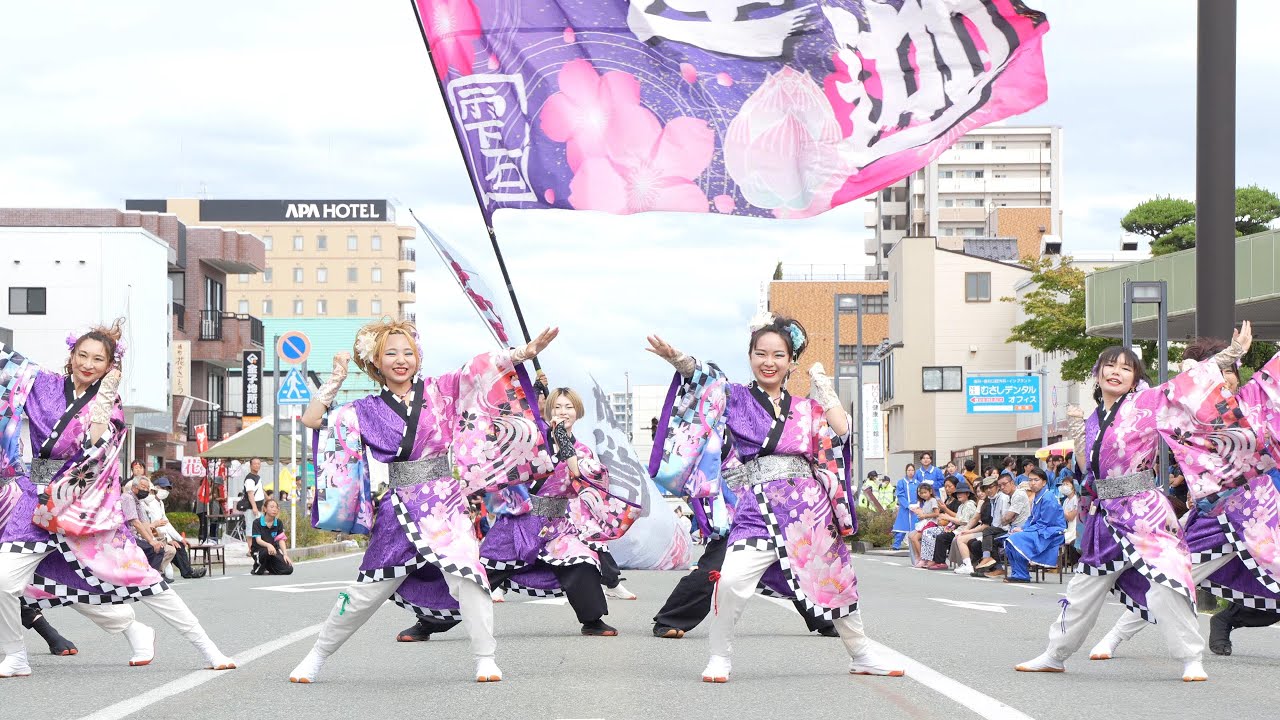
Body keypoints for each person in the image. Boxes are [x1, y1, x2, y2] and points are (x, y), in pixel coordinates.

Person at [287, 319, 558, 684]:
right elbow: (312, 418)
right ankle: (316, 657)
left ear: (418, 357)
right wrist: (336, 378)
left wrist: (521, 354)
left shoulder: (439, 390)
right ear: (376, 363)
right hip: (398, 508)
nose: (401, 360)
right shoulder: (364, 410)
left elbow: (478, 370)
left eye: (408, 352)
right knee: (368, 590)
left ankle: (485, 659)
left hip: (444, 502)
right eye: (391, 354)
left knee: (471, 578)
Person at [646, 314, 903, 682]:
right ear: (750, 356)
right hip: (757, 509)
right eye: (761, 353)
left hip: (807, 510)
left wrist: (821, 385)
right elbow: (705, 382)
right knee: (731, 580)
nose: (769, 362)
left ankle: (861, 654)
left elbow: (842, 429)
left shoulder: (806, 408)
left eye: (778, 355)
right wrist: (679, 360)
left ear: (790, 361)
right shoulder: (734, 397)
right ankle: (720, 657)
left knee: (834, 582)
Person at [1015, 326, 1259, 682]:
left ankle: (1192, 658)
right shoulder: (1095, 417)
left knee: (1169, 583)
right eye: (1109, 366)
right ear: (1097, 374)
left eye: (1125, 368)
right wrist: (1076, 429)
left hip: (1144, 511)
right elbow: (1088, 470)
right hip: (1104, 516)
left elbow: (1186, 384)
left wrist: (1230, 354)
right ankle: (1055, 654)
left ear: (1135, 380)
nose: (1116, 372)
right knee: (1083, 588)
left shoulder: (1146, 403)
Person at [0, 322, 234, 678]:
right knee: (6, 580)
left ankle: (209, 648)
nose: (88, 364)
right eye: (82, 355)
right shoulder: (42, 382)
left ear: (110, 366)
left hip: (83, 502)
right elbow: (7, 363)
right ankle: (16, 655)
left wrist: (104, 397)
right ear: (71, 355)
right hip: (36, 493)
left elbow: (97, 448)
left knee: (139, 577)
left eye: (98, 359)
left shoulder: (109, 402)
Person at [1090, 333, 1280, 660]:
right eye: (1216, 373)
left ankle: (1222, 620)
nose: (1223, 380)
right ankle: (1114, 638)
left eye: (1230, 372)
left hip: (1258, 511)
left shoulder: (1253, 399)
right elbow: (1180, 392)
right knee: (1171, 582)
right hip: (1213, 515)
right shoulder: (1194, 411)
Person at [397, 386, 638, 641]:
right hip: (517, 524)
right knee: (478, 576)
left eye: (569, 407)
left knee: (581, 563)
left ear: (578, 412)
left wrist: (564, 445)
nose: (563, 412)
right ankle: (428, 623)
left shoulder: (584, 451)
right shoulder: (530, 441)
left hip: (556, 526)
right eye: (557, 407)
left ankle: (593, 620)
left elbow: (582, 474)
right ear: (548, 411)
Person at [1002, 469, 1066, 583]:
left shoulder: (1048, 498)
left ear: (1044, 482)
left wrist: (1024, 531)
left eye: (1036, 480)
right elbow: (1031, 518)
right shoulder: (1037, 497)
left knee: (1015, 538)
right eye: (1030, 480)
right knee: (1008, 539)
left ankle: (1022, 575)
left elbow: (1045, 522)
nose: (1032, 483)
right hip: (1040, 529)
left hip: (1051, 532)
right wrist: (1021, 528)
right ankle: (1018, 573)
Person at [140, 475, 206, 580]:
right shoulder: (150, 503)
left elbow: (166, 523)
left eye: (167, 489)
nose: (165, 491)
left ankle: (187, 571)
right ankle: (185, 571)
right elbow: (157, 525)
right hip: (153, 535)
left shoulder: (159, 503)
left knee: (179, 545)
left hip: (160, 535)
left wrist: (180, 538)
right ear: (155, 488)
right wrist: (170, 540)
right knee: (176, 547)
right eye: (163, 488)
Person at [973, 473, 1027, 577]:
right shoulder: (992, 500)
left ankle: (987, 559)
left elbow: (1005, 520)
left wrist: (1006, 519)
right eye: (985, 488)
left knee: (988, 532)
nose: (988, 490)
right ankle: (991, 566)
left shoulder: (1005, 497)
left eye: (990, 487)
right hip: (1003, 528)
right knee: (977, 542)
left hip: (1010, 529)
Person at [923, 478, 977, 570]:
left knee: (942, 537)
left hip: (966, 530)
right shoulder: (962, 505)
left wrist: (947, 517)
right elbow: (958, 519)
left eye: (961, 493)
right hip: (958, 529)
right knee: (940, 535)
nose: (959, 495)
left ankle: (940, 562)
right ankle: (929, 559)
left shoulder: (969, 504)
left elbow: (964, 521)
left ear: (967, 494)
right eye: (957, 493)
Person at [952, 477, 998, 575]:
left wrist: (968, 531)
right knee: (961, 536)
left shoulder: (992, 501)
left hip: (988, 531)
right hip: (983, 530)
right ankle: (967, 564)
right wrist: (965, 530)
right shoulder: (982, 502)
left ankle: (968, 565)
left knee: (962, 539)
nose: (980, 493)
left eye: (982, 491)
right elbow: (975, 519)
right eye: (978, 491)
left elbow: (986, 525)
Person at [250, 499, 293, 576]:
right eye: (272, 507)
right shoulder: (257, 522)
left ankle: (268, 567)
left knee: (288, 569)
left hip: (273, 551)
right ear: (265, 509)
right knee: (266, 552)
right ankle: (257, 568)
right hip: (259, 551)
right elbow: (258, 540)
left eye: (276, 507)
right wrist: (269, 545)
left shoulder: (278, 523)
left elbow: (281, 540)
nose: (274, 509)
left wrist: (285, 554)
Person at [906, 482, 941, 567]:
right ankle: (918, 556)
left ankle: (922, 558)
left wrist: (924, 515)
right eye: (921, 493)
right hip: (926, 522)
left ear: (930, 492)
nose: (923, 495)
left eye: (925, 492)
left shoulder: (933, 500)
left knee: (915, 538)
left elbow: (937, 513)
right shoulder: (926, 502)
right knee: (911, 536)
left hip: (931, 523)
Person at [891, 463, 919, 550]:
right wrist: (907, 505)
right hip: (905, 509)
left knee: (916, 527)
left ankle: (915, 545)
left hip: (916, 509)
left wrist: (918, 503)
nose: (910, 472)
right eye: (909, 470)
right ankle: (896, 545)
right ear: (906, 471)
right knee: (901, 527)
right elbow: (900, 495)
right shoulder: (901, 482)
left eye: (912, 470)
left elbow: (921, 494)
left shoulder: (918, 483)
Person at [240, 458, 265, 555]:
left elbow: (261, 491)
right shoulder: (250, 478)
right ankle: (250, 550)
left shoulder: (257, 477)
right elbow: (250, 494)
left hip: (259, 507)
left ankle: (256, 548)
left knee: (259, 528)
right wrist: (254, 507)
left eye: (259, 464)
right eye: (255, 464)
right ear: (250, 465)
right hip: (251, 508)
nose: (257, 465)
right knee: (250, 528)